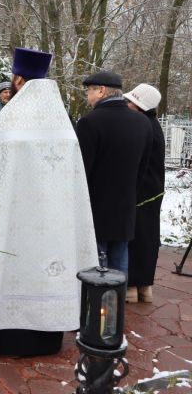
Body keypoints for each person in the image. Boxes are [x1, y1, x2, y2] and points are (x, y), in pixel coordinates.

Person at [0, 47, 99, 358]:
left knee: (8, 267)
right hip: (55, 225)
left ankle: (1, 339)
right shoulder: (65, 126)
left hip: (13, 224)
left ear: (17, 79)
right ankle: (47, 339)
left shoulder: (4, 125)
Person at [77, 71, 152, 274]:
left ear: (101, 90)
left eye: (89, 91)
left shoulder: (89, 123)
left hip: (95, 211)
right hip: (125, 209)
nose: (87, 96)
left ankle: (95, 306)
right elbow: (142, 170)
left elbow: (81, 172)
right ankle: (116, 305)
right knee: (119, 267)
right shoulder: (143, 123)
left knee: (96, 273)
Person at [124, 84, 165, 303]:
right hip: (154, 190)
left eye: (131, 102)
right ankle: (144, 286)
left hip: (141, 191)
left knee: (136, 236)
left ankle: (132, 286)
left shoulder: (141, 126)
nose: (127, 105)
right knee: (148, 236)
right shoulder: (153, 125)